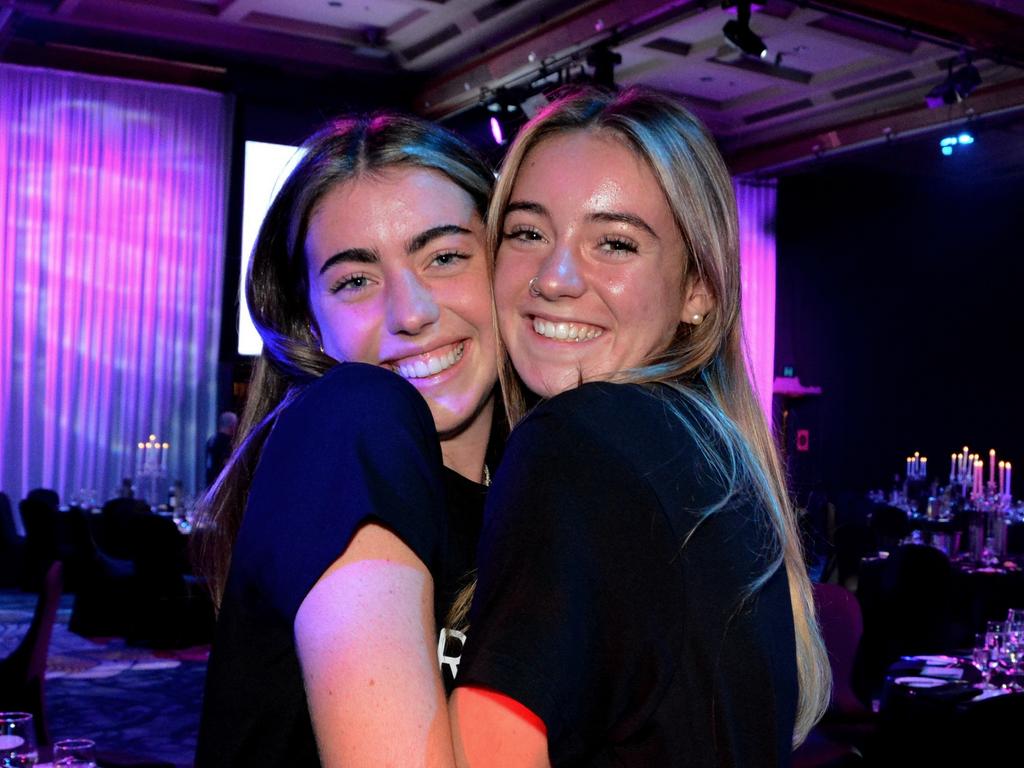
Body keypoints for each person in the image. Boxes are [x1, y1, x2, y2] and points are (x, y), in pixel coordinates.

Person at [449, 86, 831, 766]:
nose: (557, 277)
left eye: (615, 243)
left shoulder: (576, 439)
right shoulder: (715, 460)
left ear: (698, 291)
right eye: (528, 232)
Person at [194, 113, 498, 767]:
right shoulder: (354, 421)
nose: (411, 311)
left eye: (445, 256)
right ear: (310, 322)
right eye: (355, 281)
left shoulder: (536, 486)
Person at [204, 410, 237, 486]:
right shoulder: (227, 443)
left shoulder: (211, 440)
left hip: (210, 485)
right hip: (222, 485)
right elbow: (228, 463)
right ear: (232, 426)